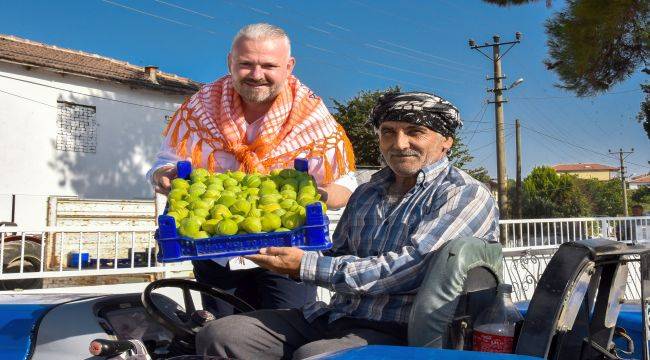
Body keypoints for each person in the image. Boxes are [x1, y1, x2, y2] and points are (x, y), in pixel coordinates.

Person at [195, 92, 500, 359]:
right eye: (388, 132)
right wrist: (280, 249)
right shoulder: (368, 192)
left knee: (314, 356)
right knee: (221, 335)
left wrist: (306, 267)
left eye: (415, 132)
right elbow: (336, 253)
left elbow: (411, 268)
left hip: (403, 330)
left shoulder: (464, 193)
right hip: (336, 315)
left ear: (446, 140)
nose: (399, 143)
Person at [146, 23, 357, 316]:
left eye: (269, 65)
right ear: (230, 62)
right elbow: (164, 162)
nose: (257, 75)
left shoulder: (312, 118)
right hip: (215, 251)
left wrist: (318, 194)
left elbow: (346, 184)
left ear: (289, 66)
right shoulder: (200, 109)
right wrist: (163, 176)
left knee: (287, 335)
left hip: (287, 251)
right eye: (246, 64)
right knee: (223, 337)